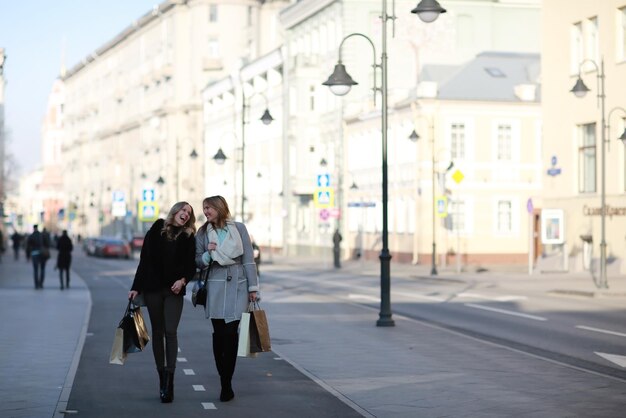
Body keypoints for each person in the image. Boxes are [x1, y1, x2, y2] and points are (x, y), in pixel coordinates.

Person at [128, 202, 196, 403]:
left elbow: (192, 265)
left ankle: (171, 381)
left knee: (171, 331)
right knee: (158, 332)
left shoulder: (188, 236)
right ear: (175, 211)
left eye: (189, 213)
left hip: (174, 290)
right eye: (183, 210)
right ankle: (162, 380)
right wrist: (135, 287)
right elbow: (144, 261)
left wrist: (183, 280)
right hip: (153, 289)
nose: (185, 214)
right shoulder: (157, 228)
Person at [195, 195, 258, 402]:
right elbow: (196, 260)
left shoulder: (238, 228)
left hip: (238, 285)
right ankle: (224, 376)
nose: (205, 212)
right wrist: (207, 255)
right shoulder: (203, 232)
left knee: (231, 333)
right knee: (219, 333)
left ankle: (226, 383)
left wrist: (253, 287)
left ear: (219, 208)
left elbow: (248, 259)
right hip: (215, 285)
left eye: (208, 208)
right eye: (204, 209)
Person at [26, 225, 50, 289]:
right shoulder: (42, 235)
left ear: (33, 228)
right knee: (42, 269)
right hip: (42, 254)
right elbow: (47, 244)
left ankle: (36, 284)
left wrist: (28, 256)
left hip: (34, 254)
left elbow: (28, 247)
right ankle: (41, 284)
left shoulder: (31, 236)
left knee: (35, 270)